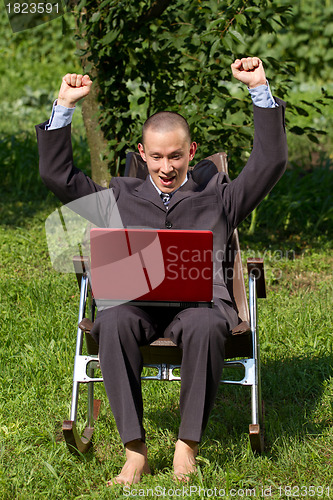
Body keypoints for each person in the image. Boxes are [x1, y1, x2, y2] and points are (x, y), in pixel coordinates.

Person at [36, 57, 287, 485]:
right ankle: (135, 452)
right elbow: (57, 175)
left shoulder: (220, 196)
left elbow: (269, 164)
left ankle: (186, 448)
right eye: (155, 157)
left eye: (175, 156)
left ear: (191, 152)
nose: (166, 168)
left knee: (208, 325)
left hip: (199, 307)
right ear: (142, 154)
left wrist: (259, 89)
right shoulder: (119, 195)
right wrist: (64, 106)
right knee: (111, 320)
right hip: (135, 303)